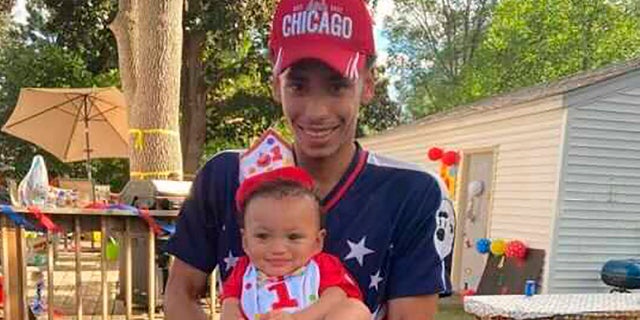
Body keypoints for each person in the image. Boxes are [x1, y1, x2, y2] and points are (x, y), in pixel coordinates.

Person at [164, 0, 455, 319]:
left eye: (337, 86)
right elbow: (179, 294)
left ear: (367, 85)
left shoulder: (414, 193)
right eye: (298, 86)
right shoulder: (225, 176)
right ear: (277, 85)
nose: (316, 111)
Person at [220, 167, 369, 320]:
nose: (278, 249)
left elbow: (336, 295)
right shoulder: (243, 270)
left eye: (293, 237)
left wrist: (297, 318)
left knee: (355, 308)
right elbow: (230, 303)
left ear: (317, 242)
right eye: (263, 236)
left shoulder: (322, 265)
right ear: (245, 241)